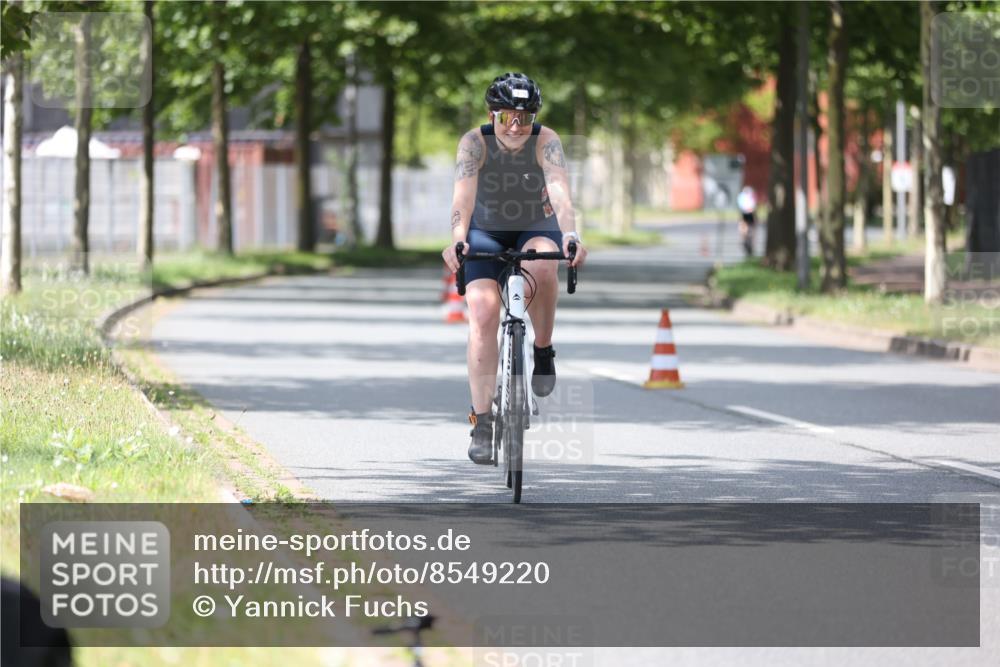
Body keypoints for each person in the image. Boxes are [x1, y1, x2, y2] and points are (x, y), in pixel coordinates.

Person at [441, 72, 587, 464]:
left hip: (533, 226)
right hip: (485, 231)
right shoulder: (474, 144)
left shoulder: (547, 141)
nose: (517, 125)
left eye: (526, 116)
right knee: (484, 311)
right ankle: (483, 421)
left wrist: (571, 234)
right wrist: (458, 237)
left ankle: (542, 348)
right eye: (507, 117)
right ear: (492, 115)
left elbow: (559, 191)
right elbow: (463, 197)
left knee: (542, 265)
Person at [736, 185, 757, 258]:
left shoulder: (744, 196)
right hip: (747, 213)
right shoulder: (744, 196)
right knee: (745, 227)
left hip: (748, 213)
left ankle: (747, 240)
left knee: (748, 228)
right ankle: (745, 239)